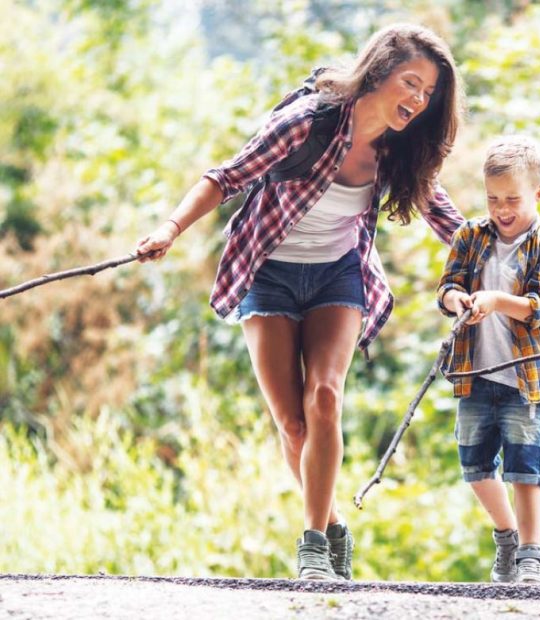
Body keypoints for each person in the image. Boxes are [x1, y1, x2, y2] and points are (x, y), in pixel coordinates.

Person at [135, 24, 465, 580]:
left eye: (427, 93)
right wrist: (169, 229)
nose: (416, 99)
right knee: (292, 425)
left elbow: (452, 224)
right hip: (268, 274)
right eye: (410, 82)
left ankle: (312, 546)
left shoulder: (401, 149)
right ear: (380, 71)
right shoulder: (308, 122)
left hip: (339, 275)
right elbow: (226, 177)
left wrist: (524, 262)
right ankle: (331, 521)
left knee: (326, 397)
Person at [437, 135, 540, 584]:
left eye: (512, 199)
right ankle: (507, 537)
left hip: (525, 381)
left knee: (525, 469)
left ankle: (532, 555)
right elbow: (447, 286)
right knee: (475, 467)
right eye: (493, 199)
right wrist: (458, 300)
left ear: (539, 193)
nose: (502, 209)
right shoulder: (469, 237)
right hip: (475, 376)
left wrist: (498, 300)